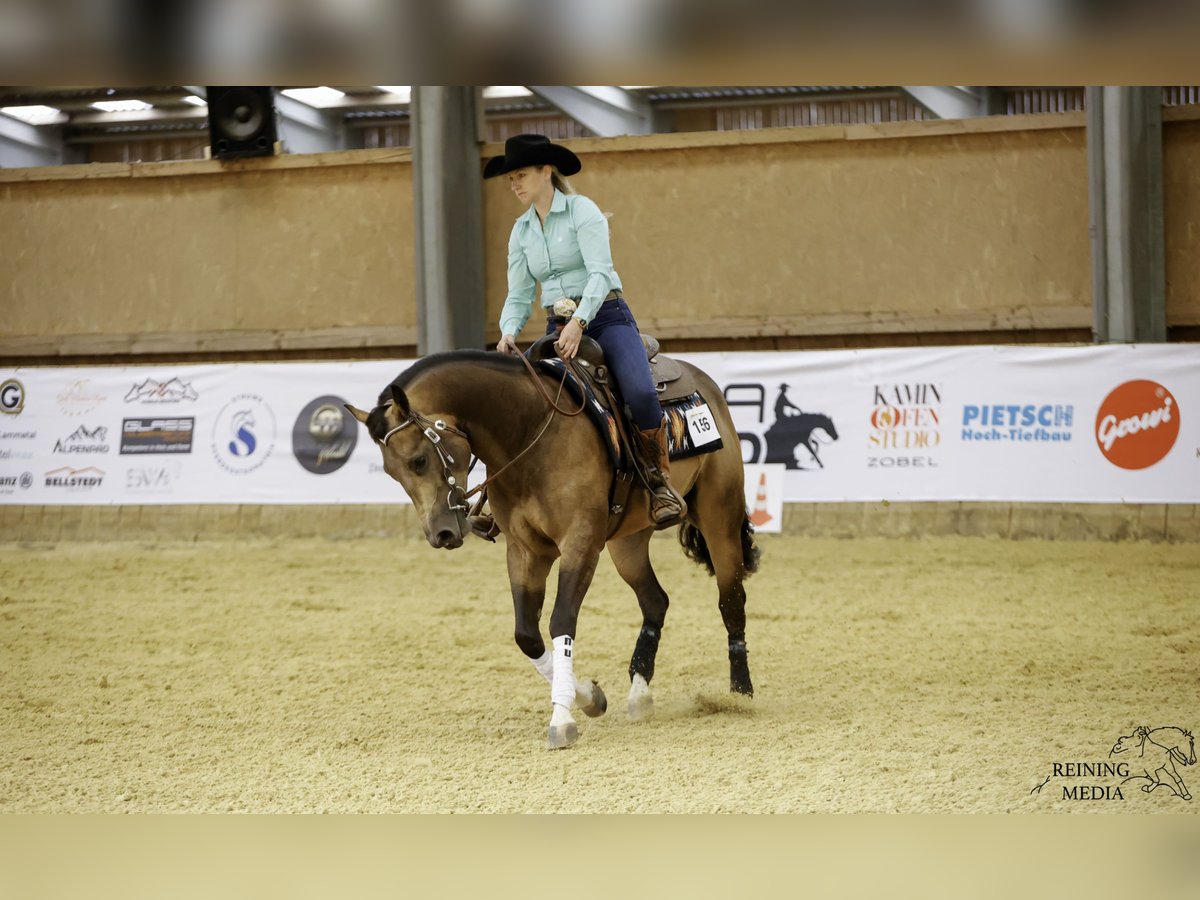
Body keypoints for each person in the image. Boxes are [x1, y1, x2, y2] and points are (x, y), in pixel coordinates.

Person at [486, 133, 686, 527]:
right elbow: (520, 294)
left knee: (640, 392)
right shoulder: (521, 231)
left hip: (606, 316)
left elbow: (600, 272)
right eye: (510, 178)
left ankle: (658, 481)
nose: (514, 185)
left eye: (521, 175)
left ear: (546, 171)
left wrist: (580, 322)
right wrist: (508, 331)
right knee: (517, 402)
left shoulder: (583, 211)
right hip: (556, 325)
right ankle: (503, 496)